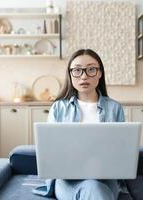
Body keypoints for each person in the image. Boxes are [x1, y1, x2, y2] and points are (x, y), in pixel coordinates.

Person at [33, 49, 126, 200]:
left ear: (100, 73)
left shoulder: (115, 108)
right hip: (68, 181)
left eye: (91, 69)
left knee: (95, 187)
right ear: (70, 74)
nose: (84, 76)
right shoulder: (58, 108)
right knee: (93, 189)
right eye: (77, 70)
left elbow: (121, 151)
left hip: (106, 179)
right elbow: (50, 153)